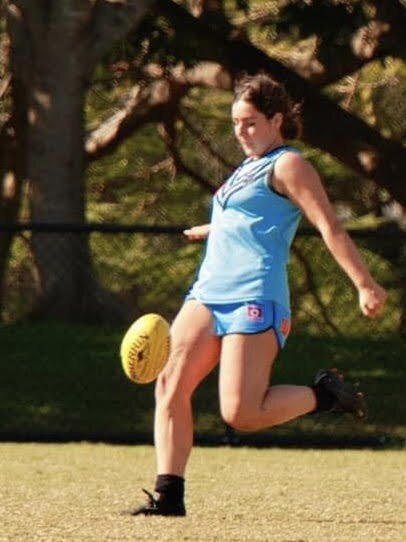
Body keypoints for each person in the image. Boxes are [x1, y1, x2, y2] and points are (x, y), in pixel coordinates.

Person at [130, 73, 387, 517]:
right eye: (234, 123)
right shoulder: (245, 168)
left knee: (241, 412)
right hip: (208, 292)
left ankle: (325, 395)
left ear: (276, 119)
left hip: (255, 294)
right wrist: (212, 229)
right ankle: (169, 497)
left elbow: (329, 225)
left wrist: (364, 283)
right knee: (170, 385)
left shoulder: (289, 164)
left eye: (249, 122)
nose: (241, 132)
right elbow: (250, 219)